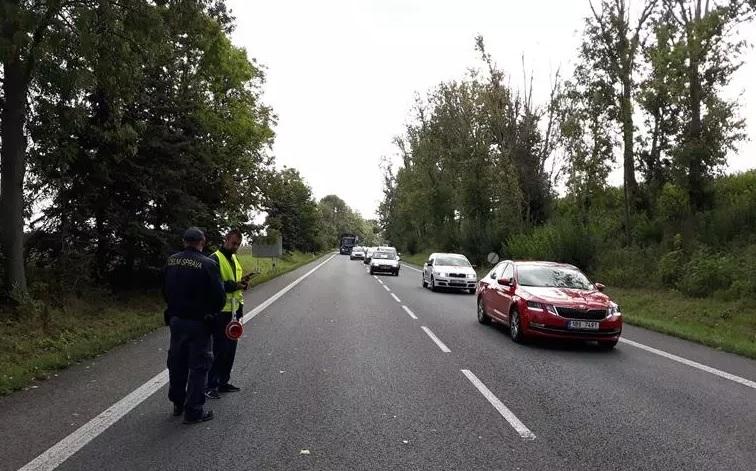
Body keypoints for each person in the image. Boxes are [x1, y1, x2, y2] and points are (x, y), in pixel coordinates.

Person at [162, 227, 225, 424]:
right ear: (202, 242)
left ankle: (178, 403)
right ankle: (194, 411)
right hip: (199, 323)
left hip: (176, 321)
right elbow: (219, 297)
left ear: (184, 241)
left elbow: (164, 289)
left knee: (177, 363)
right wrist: (211, 313)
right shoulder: (208, 263)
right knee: (199, 367)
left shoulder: (171, 261)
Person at [205, 228, 249, 399]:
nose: (235, 247)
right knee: (218, 350)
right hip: (221, 312)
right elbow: (213, 286)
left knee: (230, 350)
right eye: (233, 243)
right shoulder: (214, 259)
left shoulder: (234, 259)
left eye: (238, 244)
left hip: (234, 311)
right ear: (226, 239)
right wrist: (235, 285)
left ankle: (223, 382)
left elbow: (234, 283)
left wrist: (243, 283)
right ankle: (210, 385)